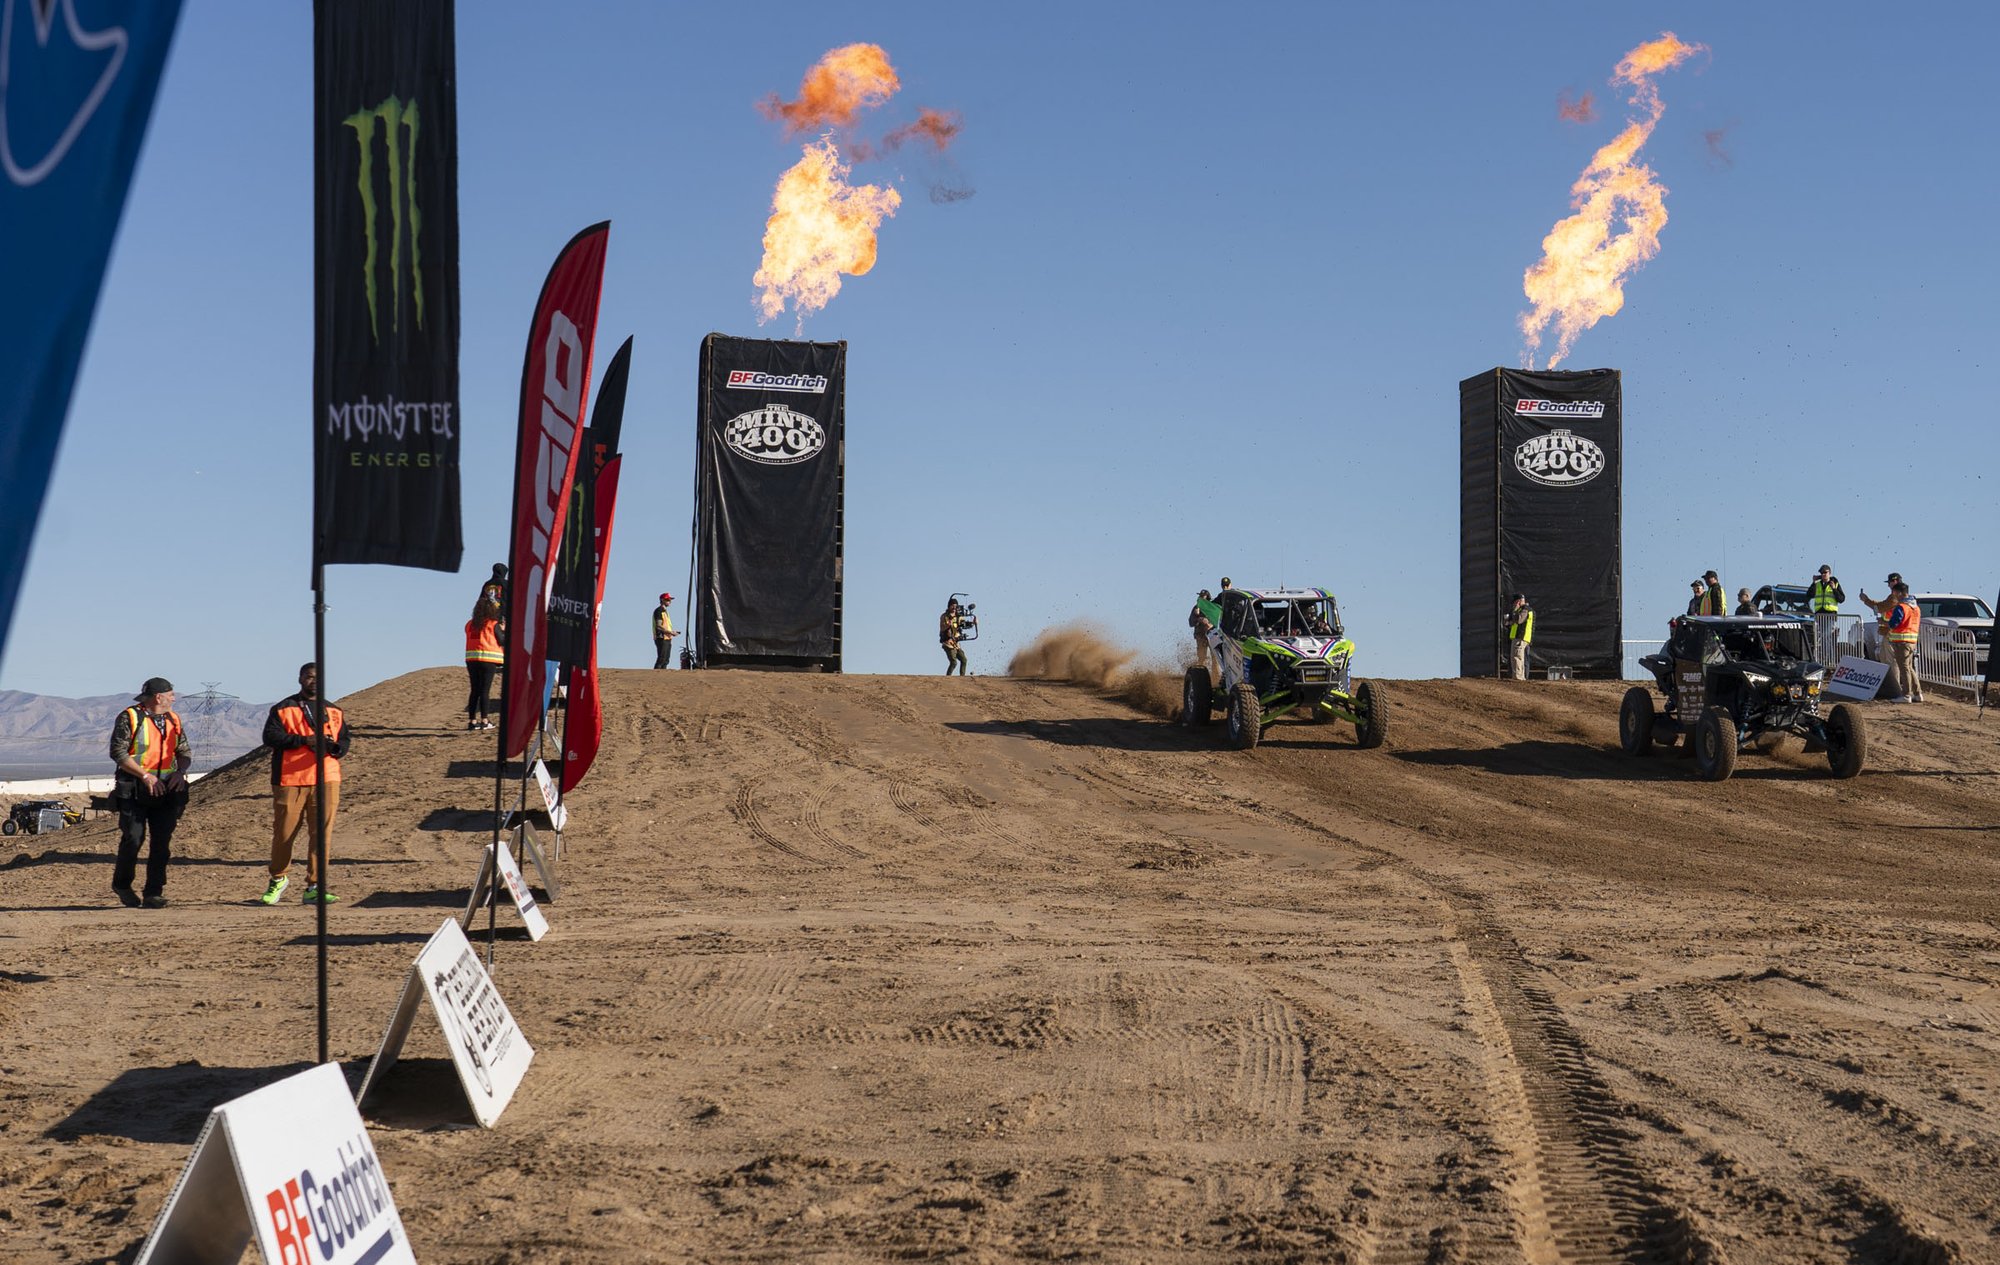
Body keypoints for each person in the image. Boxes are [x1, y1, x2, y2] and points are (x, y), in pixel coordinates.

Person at [261, 662, 351, 905]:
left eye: (318, 677)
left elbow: (345, 739)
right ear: (300, 679)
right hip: (290, 779)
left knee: (321, 835)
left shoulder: (334, 710)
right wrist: (304, 741)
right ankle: (278, 878)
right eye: (309, 677)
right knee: (284, 833)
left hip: (327, 779)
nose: (314, 681)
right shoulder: (283, 708)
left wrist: (337, 748)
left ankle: (315, 886)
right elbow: (270, 737)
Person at [109, 677, 191, 909]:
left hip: (166, 790)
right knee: (133, 838)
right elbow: (118, 752)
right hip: (134, 789)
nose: (174, 699)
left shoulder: (174, 719)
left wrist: (180, 772)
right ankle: (122, 885)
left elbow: (184, 751)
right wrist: (145, 775)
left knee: (161, 843)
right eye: (171, 695)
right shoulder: (130, 717)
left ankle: (153, 892)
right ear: (159, 697)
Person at [1879, 583, 1923, 704]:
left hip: (1902, 641)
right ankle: (1917, 693)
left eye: (1894, 593)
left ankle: (1906, 695)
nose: (1894, 596)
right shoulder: (1916, 607)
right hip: (1912, 640)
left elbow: (1894, 623)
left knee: (1904, 668)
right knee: (1909, 667)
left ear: (1899, 593)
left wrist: (1883, 622)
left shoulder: (1902, 607)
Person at [464, 596, 503, 730]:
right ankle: (485, 720)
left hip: (472, 660)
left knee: (475, 690)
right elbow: (502, 640)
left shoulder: (469, 624)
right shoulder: (493, 624)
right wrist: (504, 630)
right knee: (485, 691)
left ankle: (472, 721)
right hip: (488, 660)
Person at [1808, 564, 1845, 666]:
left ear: (1829, 573)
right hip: (1820, 615)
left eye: (1825, 572)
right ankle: (1828, 660)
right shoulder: (1817, 584)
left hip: (1830, 615)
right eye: (1822, 573)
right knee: (1825, 638)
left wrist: (1834, 589)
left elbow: (1841, 599)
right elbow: (1809, 595)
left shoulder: (1835, 583)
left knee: (1825, 635)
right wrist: (1813, 582)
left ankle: (1829, 660)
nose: (1823, 574)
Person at [1504, 594, 1534, 680]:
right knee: (1520, 658)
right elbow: (1510, 623)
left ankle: (1518, 677)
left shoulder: (1525, 609)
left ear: (1518, 601)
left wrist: (1514, 611)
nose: (1513, 604)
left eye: (1515, 602)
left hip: (1521, 637)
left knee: (1517, 658)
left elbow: (1519, 620)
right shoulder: (1522, 610)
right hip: (1519, 637)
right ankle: (1520, 677)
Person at [940, 597, 969, 675]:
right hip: (948, 643)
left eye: (956, 606)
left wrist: (973, 623)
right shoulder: (945, 616)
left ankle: (962, 678)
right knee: (953, 662)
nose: (954, 608)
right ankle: (948, 678)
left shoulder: (958, 616)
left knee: (964, 660)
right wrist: (949, 624)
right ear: (949, 606)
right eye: (952, 606)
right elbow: (943, 627)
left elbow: (964, 624)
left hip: (956, 643)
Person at [1188, 590, 1215, 670]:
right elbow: (1191, 622)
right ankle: (1200, 673)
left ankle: (1216, 675)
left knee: (1215, 657)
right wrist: (1198, 619)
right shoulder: (1196, 608)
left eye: (1203, 597)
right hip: (1200, 635)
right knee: (1202, 657)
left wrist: (1210, 623)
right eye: (1200, 596)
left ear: (1208, 598)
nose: (1201, 598)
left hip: (1212, 635)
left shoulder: (1213, 608)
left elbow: (1218, 620)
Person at [653, 593, 675, 669]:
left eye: (670, 600)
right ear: (662, 600)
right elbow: (658, 626)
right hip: (661, 637)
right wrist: (671, 632)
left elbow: (665, 625)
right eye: (668, 600)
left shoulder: (665, 612)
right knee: (661, 659)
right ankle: (656, 674)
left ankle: (663, 673)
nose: (670, 601)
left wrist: (671, 632)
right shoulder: (659, 611)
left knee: (666, 660)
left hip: (667, 637)